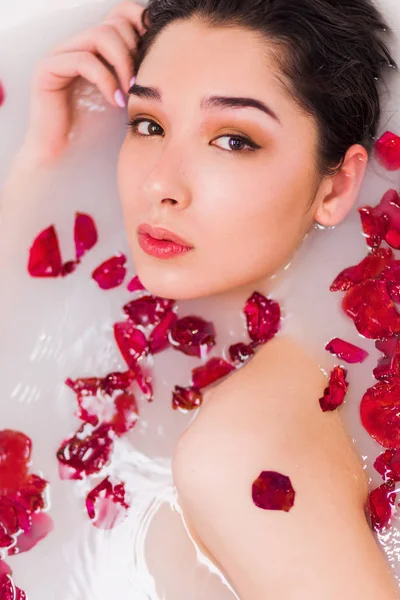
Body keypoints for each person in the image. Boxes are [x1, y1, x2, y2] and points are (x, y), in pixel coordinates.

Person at [2, 0, 400, 597]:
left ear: (339, 184)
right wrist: (47, 154)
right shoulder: (318, 365)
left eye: (234, 140)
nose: (159, 183)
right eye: (148, 124)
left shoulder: (240, 455)